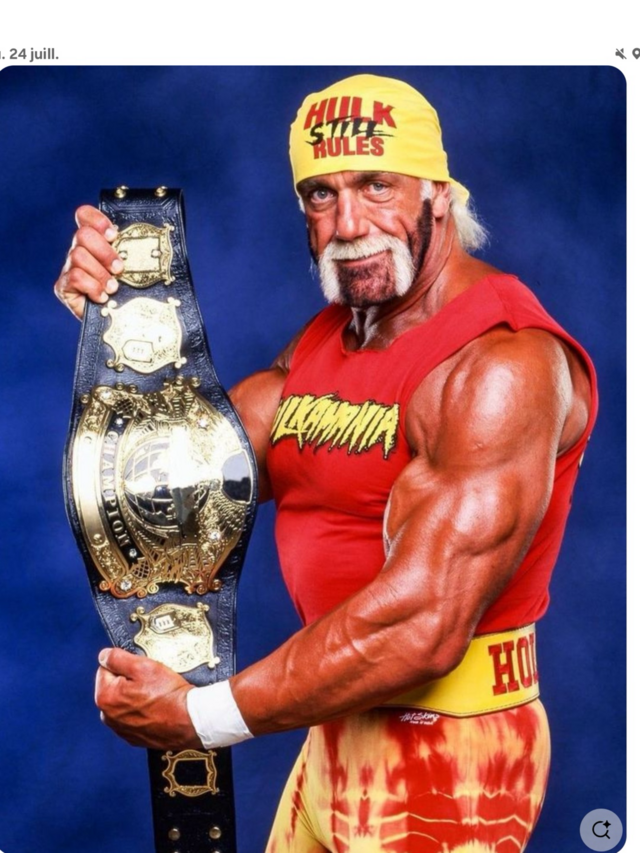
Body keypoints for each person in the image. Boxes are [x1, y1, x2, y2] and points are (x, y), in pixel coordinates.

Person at [54, 74, 597, 852]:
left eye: (377, 186)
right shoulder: (325, 342)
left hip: (448, 751)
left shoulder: (498, 362)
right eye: (321, 194)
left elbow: (422, 625)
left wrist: (199, 716)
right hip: (334, 728)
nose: (349, 224)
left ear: (437, 194)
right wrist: (113, 327)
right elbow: (178, 487)